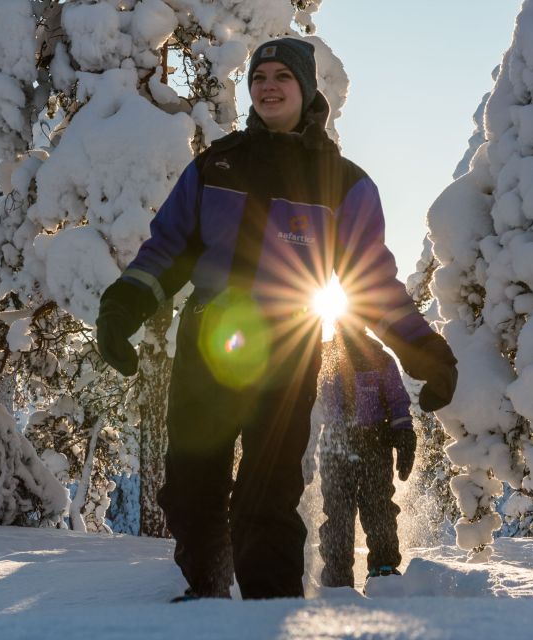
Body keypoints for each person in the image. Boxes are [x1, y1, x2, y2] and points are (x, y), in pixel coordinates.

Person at [96, 37, 457, 601]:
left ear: (306, 89)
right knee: (191, 485)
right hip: (208, 340)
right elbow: (166, 250)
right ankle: (207, 596)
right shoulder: (217, 164)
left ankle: (270, 610)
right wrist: (123, 306)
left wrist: (424, 353)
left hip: (286, 348)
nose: (267, 86)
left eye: (281, 77)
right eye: (259, 76)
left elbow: (372, 284)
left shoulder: (344, 182)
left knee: (267, 493)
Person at [317, 322, 416, 589]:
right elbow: (310, 401)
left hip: (374, 443)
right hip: (337, 444)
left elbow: (397, 401)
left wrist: (404, 433)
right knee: (338, 512)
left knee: (378, 506)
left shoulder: (379, 358)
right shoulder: (326, 356)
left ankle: (383, 570)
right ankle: (337, 579)